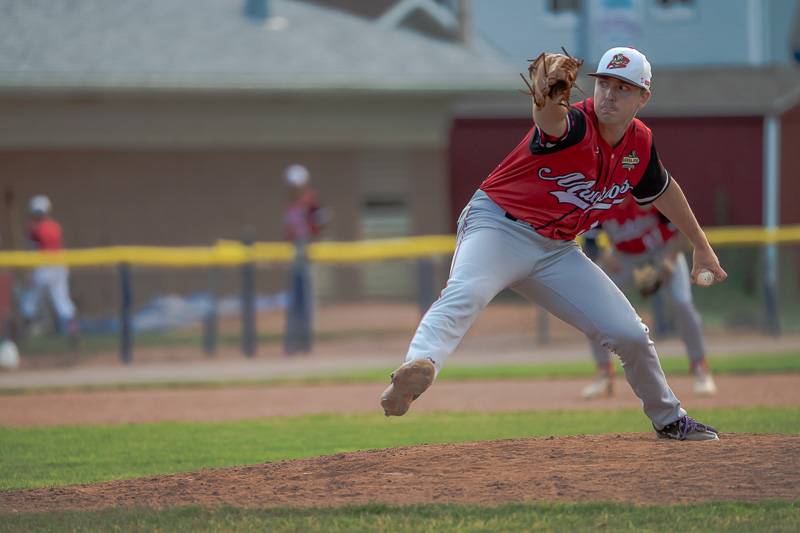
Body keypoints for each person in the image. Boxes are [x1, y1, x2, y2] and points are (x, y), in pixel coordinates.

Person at [380, 47, 727, 441]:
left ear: (643, 98)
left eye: (623, 88)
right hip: (499, 227)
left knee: (630, 333)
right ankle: (416, 367)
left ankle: (669, 419)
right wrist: (545, 91)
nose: (610, 95)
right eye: (604, 84)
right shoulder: (574, 124)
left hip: (557, 250)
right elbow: (548, 118)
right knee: (466, 293)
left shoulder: (639, 145)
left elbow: (663, 189)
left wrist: (701, 244)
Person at [579, 198, 716, 399]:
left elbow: (681, 228)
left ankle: (699, 367)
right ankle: (603, 372)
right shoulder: (604, 198)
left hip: (661, 254)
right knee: (591, 304)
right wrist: (603, 255)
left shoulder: (646, 193)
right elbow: (589, 238)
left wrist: (670, 259)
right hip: (624, 258)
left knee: (682, 303)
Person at [21, 195, 79, 341]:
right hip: (60, 267)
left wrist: (29, 271)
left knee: (31, 300)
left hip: (44, 268)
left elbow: (32, 251)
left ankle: (25, 334)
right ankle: (73, 332)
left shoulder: (35, 230)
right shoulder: (55, 226)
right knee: (62, 300)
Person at [282, 164, 323, 355]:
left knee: (305, 301)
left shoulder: (310, 202)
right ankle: (293, 343)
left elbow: (319, 226)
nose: (294, 188)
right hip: (295, 256)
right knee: (295, 301)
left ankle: (304, 344)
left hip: (306, 255)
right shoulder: (291, 204)